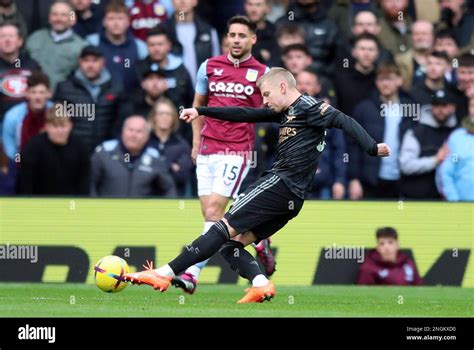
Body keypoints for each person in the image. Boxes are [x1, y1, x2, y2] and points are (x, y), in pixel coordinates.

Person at [123, 67, 390, 303]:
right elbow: (244, 113)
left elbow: (344, 120)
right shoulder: (287, 111)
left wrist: (372, 148)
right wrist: (201, 111)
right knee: (230, 244)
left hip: (280, 184)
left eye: (266, 94)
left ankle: (164, 273)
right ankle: (261, 284)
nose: (265, 100)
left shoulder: (308, 106)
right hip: (294, 198)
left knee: (221, 227)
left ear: (283, 87)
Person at [171, 15, 275, 295]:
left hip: (236, 150)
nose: (236, 40)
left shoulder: (263, 72)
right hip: (207, 148)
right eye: (232, 35)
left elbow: (272, 106)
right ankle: (256, 237)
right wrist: (195, 143)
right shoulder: (209, 67)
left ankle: (192, 273)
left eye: (242, 35)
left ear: (253, 39)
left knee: (216, 210)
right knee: (209, 214)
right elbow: (197, 106)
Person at [90, 115, 177, 197]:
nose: (133, 135)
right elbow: (89, 183)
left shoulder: (154, 158)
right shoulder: (104, 152)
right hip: (106, 211)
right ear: (123, 131)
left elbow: (169, 189)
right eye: (130, 130)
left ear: (147, 136)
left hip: (142, 212)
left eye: (139, 131)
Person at [18, 103, 90, 195]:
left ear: (70, 126)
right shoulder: (33, 147)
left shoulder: (80, 146)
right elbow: (25, 183)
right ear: (47, 126)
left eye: (63, 126)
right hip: (39, 202)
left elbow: (84, 181)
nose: (59, 131)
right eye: (55, 126)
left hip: (71, 203)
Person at [399, 89, 457, 199]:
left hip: (447, 199)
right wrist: (435, 160)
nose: (440, 109)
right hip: (416, 198)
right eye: (436, 105)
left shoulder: (458, 134)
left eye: (444, 105)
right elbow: (405, 165)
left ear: (453, 107)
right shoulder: (416, 132)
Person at [25, 0, 87, 91]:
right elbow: (18, 62)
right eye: (55, 14)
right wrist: (16, 67)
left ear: (73, 19)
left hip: (62, 100)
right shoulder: (34, 38)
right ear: (49, 18)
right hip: (32, 98)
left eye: (63, 15)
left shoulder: (81, 47)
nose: (58, 19)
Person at [148, 97, 193, 196]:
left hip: (173, 198)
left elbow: (182, 176)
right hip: (146, 197)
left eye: (168, 114)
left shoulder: (182, 145)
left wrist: (154, 166)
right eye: (161, 113)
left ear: (174, 118)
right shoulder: (145, 142)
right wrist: (170, 166)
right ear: (154, 117)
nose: (165, 117)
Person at [436, 98, 474, 201]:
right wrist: (454, 201)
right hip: (462, 206)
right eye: (472, 105)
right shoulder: (457, 138)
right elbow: (446, 172)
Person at [357, 227, 423, 285]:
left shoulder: (409, 264)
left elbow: (420, 291)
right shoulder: (368, 268)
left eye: (390, 242)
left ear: (397, 245)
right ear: (378, 248)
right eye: (382, 244)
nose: (386, 247)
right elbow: (364, 295)